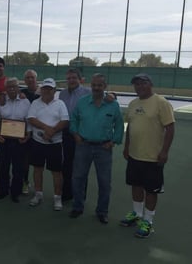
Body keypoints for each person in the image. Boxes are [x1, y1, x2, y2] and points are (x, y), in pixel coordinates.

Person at [120, 73, 175, 238]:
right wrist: (127, 146)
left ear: (150, 84)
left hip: (153, 157)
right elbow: (130, 127)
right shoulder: (132, 104)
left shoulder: (161, 102)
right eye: (136, 84)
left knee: (151, 191)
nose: (139, 86)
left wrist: (164, 151)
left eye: (143, 83)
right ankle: (137, 214)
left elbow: (170, 128)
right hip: (134, 155)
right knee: (136, 185)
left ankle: (148, 222)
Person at [69, 73, 124, 224]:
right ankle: (77, 207)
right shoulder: (82, 102)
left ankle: (102, 211)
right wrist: (75, 134)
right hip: (83, 146)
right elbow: (73, 119)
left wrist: (113, 141)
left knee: (104, 182)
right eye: (94, 85)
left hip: (103, 148)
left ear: (105, 87)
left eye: (99, 85)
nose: (96, 88)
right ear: (90, 86)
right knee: (78, 178)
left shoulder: (113, 105)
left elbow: (119, 125)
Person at [27, 78, 69, 210]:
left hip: (55, 143)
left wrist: (52, 132)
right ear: (42, 89)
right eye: (44, 88)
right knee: (37, 169)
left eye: (49, 88)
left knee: (56, 172)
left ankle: (57, 198)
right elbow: (31, 119)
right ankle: (38, 194)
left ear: (54, 90)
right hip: (38, 142)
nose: (46, 90)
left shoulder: (60, 103)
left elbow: (65, 121)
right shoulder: (35, 102)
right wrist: (47, 129)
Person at [0, 77, 31, 203]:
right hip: (3, 139)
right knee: (3, 167)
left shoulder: (26, 102)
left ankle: (15, 193)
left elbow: (28, 121)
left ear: (18, 87)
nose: (12, 89)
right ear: (6, 89)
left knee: (18, 168)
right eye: (9, 87)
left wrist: (28, 135)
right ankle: (3, 191)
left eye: (14, 86)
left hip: (19, 141)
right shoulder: (0, 101)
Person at [58, 68, 91, 202]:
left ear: (80, 79)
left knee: (81, 166)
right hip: (66, 133)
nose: (71, 80)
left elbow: (103, 100)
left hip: (82, 133)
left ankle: (80, 196)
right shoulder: (62, 94)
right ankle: (66, 193)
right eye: (69, 78)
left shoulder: (88, 92)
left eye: (74, 78)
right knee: (66, 164)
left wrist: (112, 95)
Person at [20, 69, 40, 195]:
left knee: (38, 162)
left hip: (39, 132)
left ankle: (39, 188)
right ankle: (25, 182)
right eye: (27, 78)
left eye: (32, 77)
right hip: (25, 132)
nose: (30, 79)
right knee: (24, 160)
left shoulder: (44, 92)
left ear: (36, 78)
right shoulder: (21, 93)